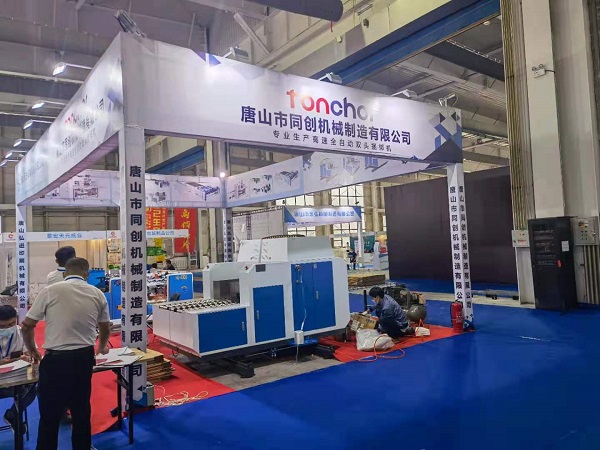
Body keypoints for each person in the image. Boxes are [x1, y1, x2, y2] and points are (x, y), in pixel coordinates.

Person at [22, 257, 110, 450]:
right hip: (83, 359)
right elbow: (105, 326)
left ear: (64, 274)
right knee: (81, 411)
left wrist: (32, 350)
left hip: (55, 360)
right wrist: (101, 346)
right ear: (87, 274)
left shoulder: (49, 291)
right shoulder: (97, 293)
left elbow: (27, 325)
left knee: (49, 415)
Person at [0, 305, 37, 433]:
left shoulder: (22, 333)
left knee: (33, 388)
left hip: (16, 379)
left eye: (11, 324)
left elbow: (32, 353)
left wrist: (28, 357)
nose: (7, 328)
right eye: (3, 326)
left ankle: (12, 415)